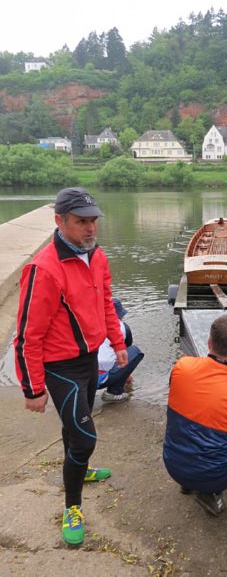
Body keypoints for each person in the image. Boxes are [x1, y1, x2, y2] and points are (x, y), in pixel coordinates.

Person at [14, 187, 128, 547]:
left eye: (93, 220)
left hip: (89, 359)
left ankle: (78, 468)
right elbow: (27, 335)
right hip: (60, 367)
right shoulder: (43, 269)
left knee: (74, 428)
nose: (91, 228)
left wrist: (118, 342)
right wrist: (32, 388)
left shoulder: (97, 258)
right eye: (81, 222)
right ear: (60, 221)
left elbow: (106, 304)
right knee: (85, 436)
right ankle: (72, 506)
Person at [163, 314, 227, 516]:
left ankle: (187, 483)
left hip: (172, 465)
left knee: (186, 415)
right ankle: (212, 493)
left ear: (208, 342)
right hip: (215, 477)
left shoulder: (181, 366)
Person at [97, 298, 144, 403]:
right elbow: (125, 353)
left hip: (82, 379)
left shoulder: (90, 323)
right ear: (120, 315)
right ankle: (114, 392)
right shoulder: (123, 327)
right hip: (101, 379)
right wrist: (126, 374)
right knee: (135, 351)